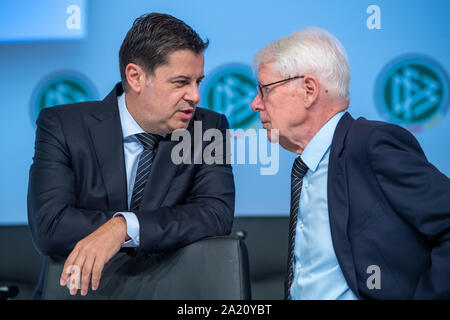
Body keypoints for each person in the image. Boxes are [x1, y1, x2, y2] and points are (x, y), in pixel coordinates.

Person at [28, 13, 235, 298]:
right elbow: (50, 226)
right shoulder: (63, 126)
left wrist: (124, 227)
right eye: (181, 82)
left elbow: (215, 214)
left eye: (198, 81)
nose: (195, 96)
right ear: (135, 77)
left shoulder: (208, 128)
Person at [250, 27, 450, 299]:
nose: (254, 104)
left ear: (309, 90)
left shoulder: (370, 144)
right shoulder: (307, 166)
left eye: (264, 90)